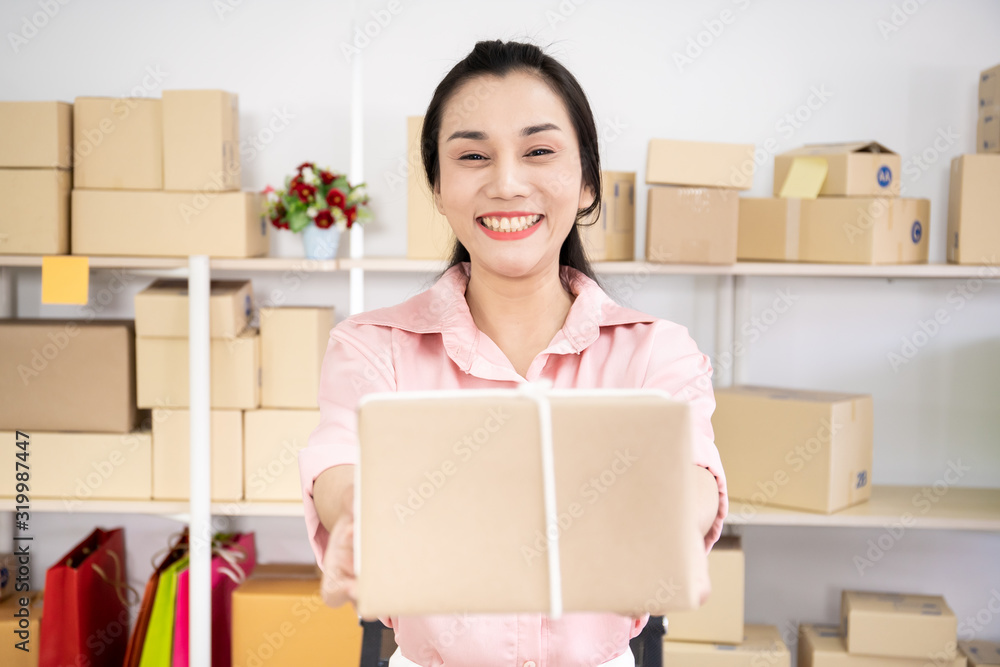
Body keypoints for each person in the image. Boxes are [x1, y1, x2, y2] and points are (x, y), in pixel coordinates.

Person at [298, 39, 728, 667]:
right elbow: (338, 468)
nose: (506, 182)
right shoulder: (372, 347)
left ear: (585, 183)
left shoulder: (654, 350)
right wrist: (363, 515)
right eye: (473, 155)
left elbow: (695, 476)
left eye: (539, 152)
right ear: (440, 189)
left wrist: (673, 522)